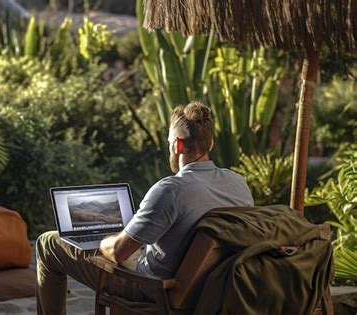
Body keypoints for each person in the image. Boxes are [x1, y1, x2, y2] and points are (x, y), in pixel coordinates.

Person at [36, 101, 254, 314]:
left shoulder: (171, 190)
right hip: (210, 292)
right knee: (134, 248)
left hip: (155, 291)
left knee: (48, 243)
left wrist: (105, 241)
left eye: (169, 141)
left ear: (177, 145)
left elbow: (117, 253)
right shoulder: (238, 183)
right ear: (210, 144)